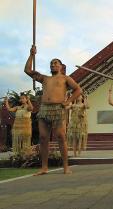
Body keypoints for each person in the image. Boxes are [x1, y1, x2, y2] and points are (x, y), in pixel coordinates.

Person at [24, 45, 82, 175]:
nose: (53, 65)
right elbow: (27, 70)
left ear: (61, 66)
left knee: (61, 137)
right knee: (44, 137)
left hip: (58, 108)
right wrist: (31, 55)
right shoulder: (45, 78)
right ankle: (44, 167)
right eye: (51, 63)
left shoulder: (65, 78)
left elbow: (78, 90)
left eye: (55, 63)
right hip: (44, 109)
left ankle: (66, 167)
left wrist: (67, 101)